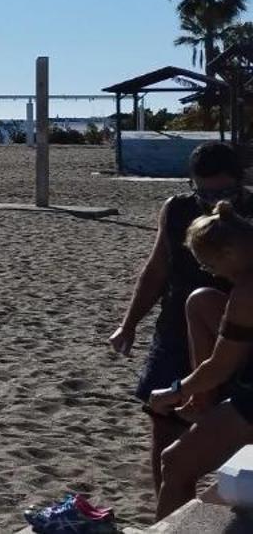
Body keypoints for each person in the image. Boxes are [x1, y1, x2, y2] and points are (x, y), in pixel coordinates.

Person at [116, 142, 247, 501]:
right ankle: (171, 510)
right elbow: (157, 270)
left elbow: (221, 363)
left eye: (223, 191)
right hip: (175, 330)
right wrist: (129, 324)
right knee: (165, 434)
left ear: (240, 181)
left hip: (237, 336)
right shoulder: (176, 210)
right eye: (203, 190)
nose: (212, 198)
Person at [147, 199, 253, 518]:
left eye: (208, 265)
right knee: (202, 301)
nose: (213, 274)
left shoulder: (248, 291)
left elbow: (219, 367)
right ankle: (202, 403)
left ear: (229, 254)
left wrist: (174, 390)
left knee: (175, 464)